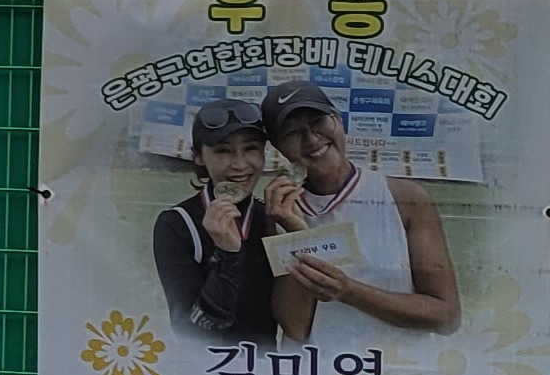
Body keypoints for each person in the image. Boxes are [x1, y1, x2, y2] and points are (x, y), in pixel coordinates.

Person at [261, 79, 461, 338]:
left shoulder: (405, 198)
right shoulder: (281, 210)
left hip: (396, 361)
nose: (311, 139)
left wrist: (348, 291)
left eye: (318, 121)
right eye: (292, 132)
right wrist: (297, 235)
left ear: (338, 120)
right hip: (324, 362)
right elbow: (296, 328)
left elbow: (446, 316)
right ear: (278, 148)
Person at [148, 98, 282, 341]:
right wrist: (227, 256)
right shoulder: (178, 224)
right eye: (223, 150)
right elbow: (190, 331)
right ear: (198, 156)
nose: (240, 164)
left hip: (265, 364)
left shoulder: (273, 218)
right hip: (208, 365)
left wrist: (297, 234)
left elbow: (297, 323)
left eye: (251, 148)